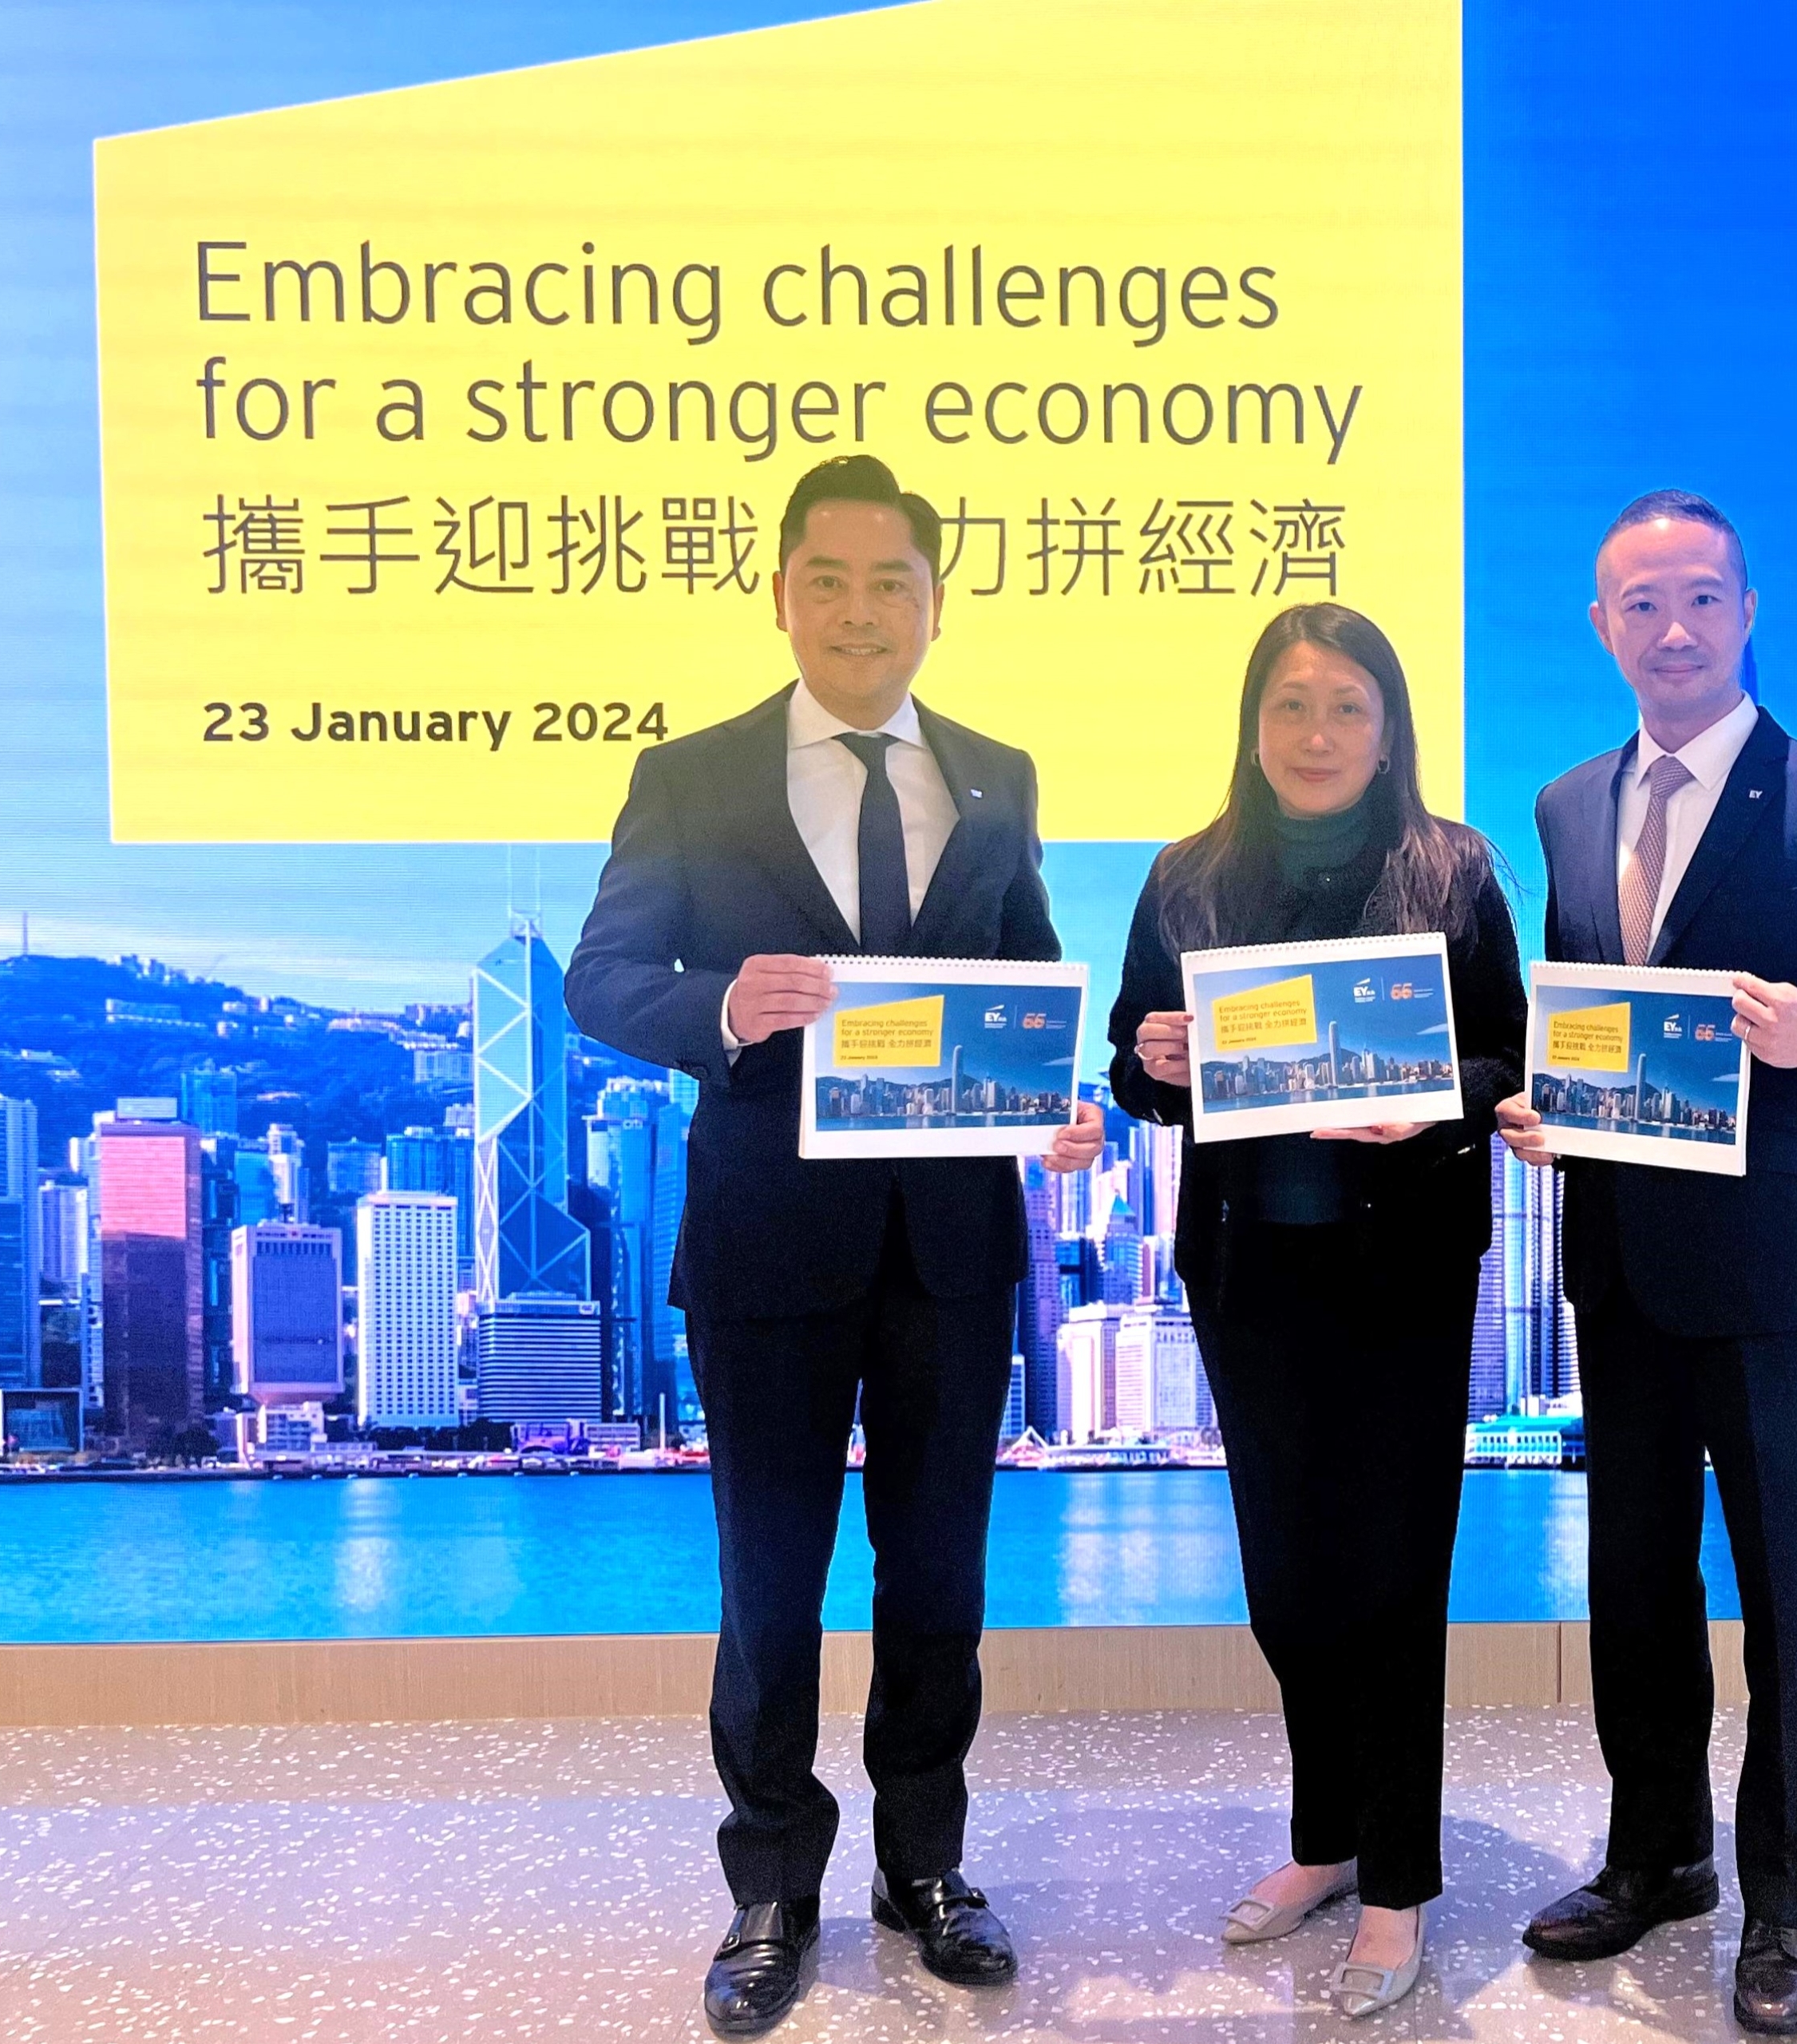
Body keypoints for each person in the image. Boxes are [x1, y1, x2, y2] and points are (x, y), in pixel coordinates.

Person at [568, 454, 1105, 2038]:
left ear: (936, 604)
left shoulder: (998, 775)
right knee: (771, 1582)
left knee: (939, 1577)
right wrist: (725, 1005)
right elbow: (603, 976)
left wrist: (1057, 1100)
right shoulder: (692, 775)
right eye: (831, 580)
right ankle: (770, 1887)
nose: (861, 611)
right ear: (783, 594)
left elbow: (1028, 974)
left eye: (893, 583)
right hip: (767, 1243)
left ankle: (925, 1866)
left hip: (952, 1246)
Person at [1495, 490, 1797, 2035]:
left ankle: (1788, 1905)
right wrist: (1544, 1108)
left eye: (1700, 598)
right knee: (1632, 1586)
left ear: (1747, 612)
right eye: (1641, 604)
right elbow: (1585, 1016)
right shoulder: (1565, 807)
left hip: (1770, 1280)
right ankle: (1657, 1854)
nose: (1672, 629)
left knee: (1788, 1601)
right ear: (1601, 626)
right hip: (1616, 1262)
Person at [1107, 602, 1525, 2019]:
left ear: (1389, 728)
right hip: (1249, 1271)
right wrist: (1157, 1056)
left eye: (1349, 706)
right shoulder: (1186, 877)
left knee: (1395, 1579)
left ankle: (1398, 1883)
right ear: (1252, 723)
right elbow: (1135, 1068)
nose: (1318, 733)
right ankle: (1326, 1838)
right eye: (1291, 705)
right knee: (1287, 1582)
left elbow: (1509, 1057)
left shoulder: (1454, 870)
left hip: (1405, 1270)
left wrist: (1432, 1101)